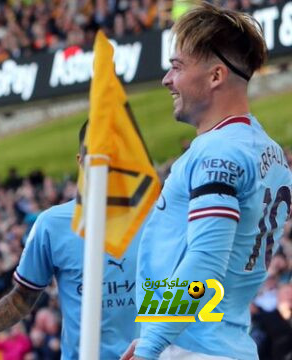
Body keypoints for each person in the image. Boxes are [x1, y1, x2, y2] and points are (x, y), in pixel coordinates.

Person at [121, 3, 292, 360]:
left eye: (177, 67)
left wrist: (153, 345)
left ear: (216, 76)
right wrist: (156, 333)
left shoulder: (218, 152)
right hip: (215, 340)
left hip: (195, 348)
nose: (167, 79)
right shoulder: (267, 150)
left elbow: (206, 261)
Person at [0, 124, 140, 359]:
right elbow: (21, 299)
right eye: (98, 155)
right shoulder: (52, 224)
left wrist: (154, 346)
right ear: (81, 161)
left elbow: (175, 287)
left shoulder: (155, 215)